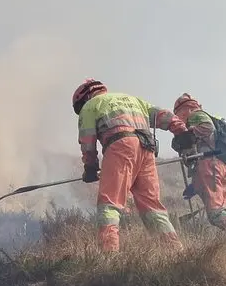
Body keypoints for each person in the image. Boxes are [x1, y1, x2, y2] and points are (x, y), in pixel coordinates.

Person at [74, 79, 186, 252]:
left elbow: (87, 141)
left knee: (109, 205)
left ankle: (109, 254)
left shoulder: (91, 105)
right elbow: (163, 115)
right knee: (152, 207)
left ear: (84, 98)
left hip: (120, 147)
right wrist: (179, 129)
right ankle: (175, 252)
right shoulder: (132, 100)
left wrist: (90, 167)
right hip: (146, 150)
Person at [170, 93, 226, 237]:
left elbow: (207, 127)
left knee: (215, 212)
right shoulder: (200, 116)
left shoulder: (195, 115)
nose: (179, 118)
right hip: (221, 166)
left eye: (178, 114)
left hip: (209, 165)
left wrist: (186, 135)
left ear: (186, 109)